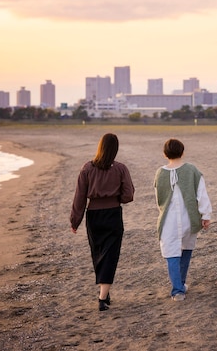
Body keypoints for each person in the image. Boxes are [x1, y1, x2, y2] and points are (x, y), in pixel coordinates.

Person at [70, 133, 135, 311]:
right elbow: (128, 195)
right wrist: (116, 198)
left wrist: (75, 221)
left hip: (93, 216)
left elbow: (79, 197)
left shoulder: (87, 168)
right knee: (110, 255)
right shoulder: (121, 168)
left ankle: (104, 293)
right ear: (115, 149)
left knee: (98, 253)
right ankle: (102, 298)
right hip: (113, 214)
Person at [154, 139, 212, 301]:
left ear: (165, 154)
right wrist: (205, 215)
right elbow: (201, 194)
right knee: (186, 248)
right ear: (182, 152)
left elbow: (158, 199)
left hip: (168, 220)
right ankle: (181, 283)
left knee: (172, 252)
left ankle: (178, 290)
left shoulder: (160, 173)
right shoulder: (192, 170)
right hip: (189, 218)